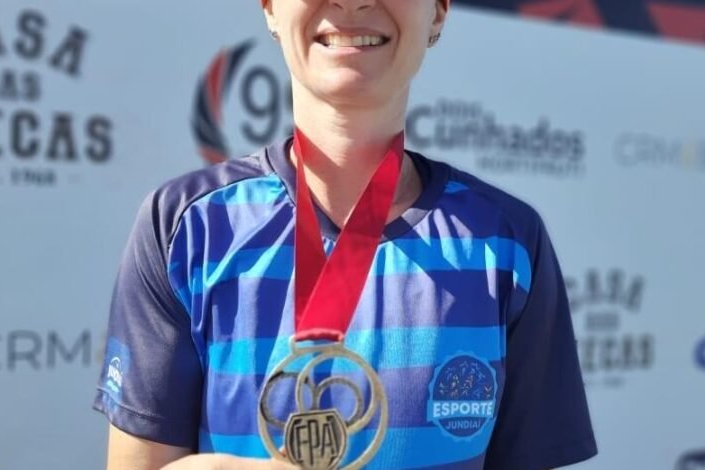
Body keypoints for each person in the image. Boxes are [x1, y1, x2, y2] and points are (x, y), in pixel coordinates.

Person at [94, 0, 598, 469]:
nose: (353, 1)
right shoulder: (185, 227)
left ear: (439, 11)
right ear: (269, 7)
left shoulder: (508, 242)